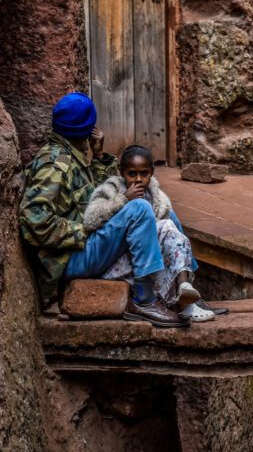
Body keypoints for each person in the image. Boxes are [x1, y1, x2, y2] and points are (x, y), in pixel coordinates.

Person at [18, 92, 187, 328]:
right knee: (138, 208)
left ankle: (187, 287)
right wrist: (84, 229)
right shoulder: (55, 165)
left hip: (85, 247)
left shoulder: (71, 155)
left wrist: (98, 156)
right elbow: (34, 220)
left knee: (161, 207)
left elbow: (92, 196)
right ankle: (144, 299)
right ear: (89, 128)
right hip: (70, 259)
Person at [83, 145, 228, 323]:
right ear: (122, 173)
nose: (138, 180)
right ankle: (174, 296)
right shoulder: (112, 188)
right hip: (117, 259)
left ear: (152, 172)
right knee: (164, 224)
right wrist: (123, 200)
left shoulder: (155, 194)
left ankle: (186, 289)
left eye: (144, 174)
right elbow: (91, 219)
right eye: (132, 174)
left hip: (144, 258)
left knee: (170, 217)